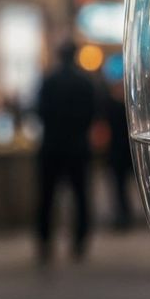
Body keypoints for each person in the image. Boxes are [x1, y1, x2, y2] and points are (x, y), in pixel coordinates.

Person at [35, 41, 99, 260]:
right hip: (78, 147)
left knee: (46, 197)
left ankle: (44, 242)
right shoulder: (84, 83)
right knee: (80, 197)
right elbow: (93, 113)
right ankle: (79, 242)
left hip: (52, 146)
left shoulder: (49, 81)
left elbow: (40, 111)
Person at [103, 78, 136, 229]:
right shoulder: (128, 107)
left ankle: (124, 215)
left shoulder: (110, 105)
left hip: (120, 152)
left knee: (120, 187)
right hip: (122, 152)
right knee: (119, 187)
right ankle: (123, 215)